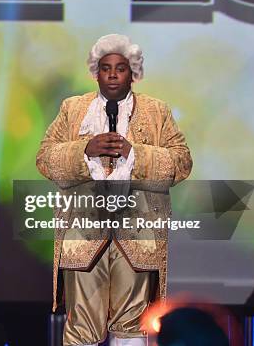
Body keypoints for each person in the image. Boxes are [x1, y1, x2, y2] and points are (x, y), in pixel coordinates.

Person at [36, 34, 192, 346]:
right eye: (105, 67)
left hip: (137, 232)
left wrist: (136, 154)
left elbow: (182, 163)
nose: (112, 74)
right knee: (81, 325)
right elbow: (45, 158)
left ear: (133, 72)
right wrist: (84, 150)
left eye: (120, 68)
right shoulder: (73, 109)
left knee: (133, 323)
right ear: (95, 71)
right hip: (83, 233)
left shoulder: (156, 111)